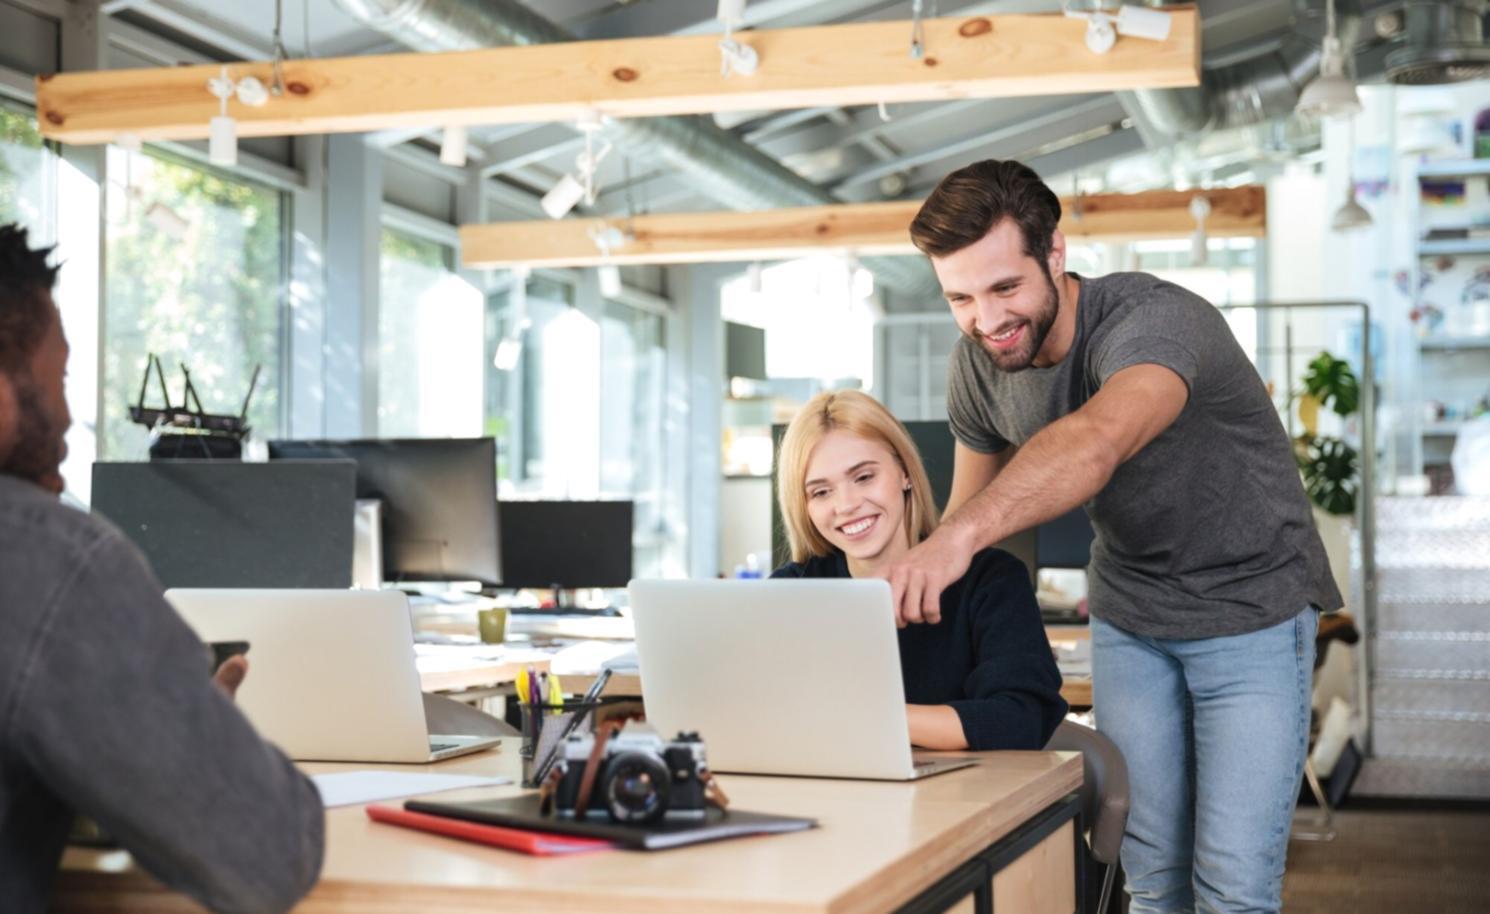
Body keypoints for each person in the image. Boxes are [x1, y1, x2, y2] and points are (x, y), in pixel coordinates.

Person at [880, 160, 1340, 913]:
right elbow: (975, 521)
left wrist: (955, 538)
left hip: (1253, 608)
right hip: (1133, 614)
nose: (985, 319)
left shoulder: (1155, 323)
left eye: (1004, 288)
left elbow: (1094, 444)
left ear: (1054, 254)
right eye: (959, 297)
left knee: (1231, 886)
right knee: (1152, 876)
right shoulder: (979, 361)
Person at [0, 223, 324, 913]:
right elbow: (269, 851)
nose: (64, 415)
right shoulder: (50, 560)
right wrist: (187, 732)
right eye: (56, 379)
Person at [771, 389, 1066, 751]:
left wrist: (870, 717)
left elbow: (1022, 718)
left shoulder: (991, 581)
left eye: (863, 477)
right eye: (820, 492)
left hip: (968, 798)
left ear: (904, 473)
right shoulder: (790, 593)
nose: (845, 505)